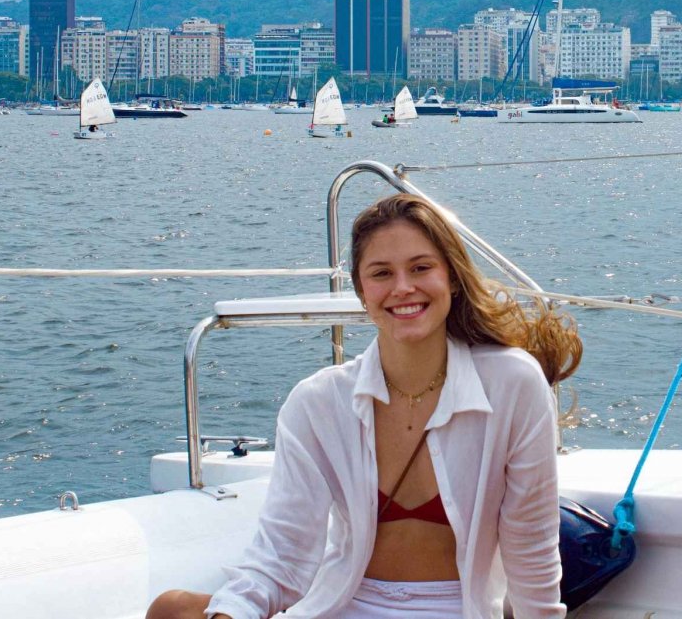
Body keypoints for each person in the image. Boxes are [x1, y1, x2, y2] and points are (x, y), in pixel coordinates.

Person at [147, 193, 581, 619]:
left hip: (454, 606)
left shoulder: (512, 383)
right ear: (360, 290)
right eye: (381, 273)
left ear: (451, 276)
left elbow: (531, 548)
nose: (403, 287)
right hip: (341, 603)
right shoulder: (317, 402)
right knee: (171, 609)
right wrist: (233, 613)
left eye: (420, 267)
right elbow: (281, 556)